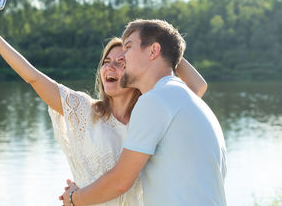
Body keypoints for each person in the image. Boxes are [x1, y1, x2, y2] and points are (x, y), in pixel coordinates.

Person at [0, 0, 208, 205]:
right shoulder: (84, 109)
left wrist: (162, 46)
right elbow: (33, 77)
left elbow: (198, 86)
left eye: (121, 61)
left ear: (134, 71)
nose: (111, 66)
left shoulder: (152, 113)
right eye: (106, 61)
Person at [62, 19, 227, 206]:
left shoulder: (155, 100)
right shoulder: (184, 97)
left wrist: (73, 198)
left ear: (153, 51)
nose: (122, 57)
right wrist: (168, 47)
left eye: (128, 47)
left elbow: (120, 182)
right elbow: (198, 84)